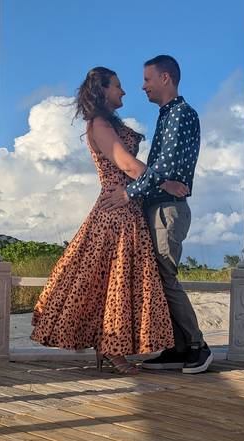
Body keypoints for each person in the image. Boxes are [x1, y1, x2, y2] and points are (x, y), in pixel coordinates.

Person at [30, 66, 189, 375]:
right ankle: (113, 353)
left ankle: (112, 350)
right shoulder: (99, 123)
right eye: (117, 86)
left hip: (127, 209)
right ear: (101, 90)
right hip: (115, 213)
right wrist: (165, 183)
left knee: (116, 283)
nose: (124, 91)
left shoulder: (109, 122)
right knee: (112, 282)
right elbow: (127, 165)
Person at [99, 54, 212, 374]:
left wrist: (128, 193)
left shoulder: (181, 114)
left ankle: (197, 347)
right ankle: (176, 348)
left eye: (148, 79)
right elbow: (164, 171)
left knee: (165, 276)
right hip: (159, 205)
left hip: (168, 210)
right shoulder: (167, 115)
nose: (142, 86)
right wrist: (162, 182)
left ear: (165, 78)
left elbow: (164, 165)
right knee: (158, 278)